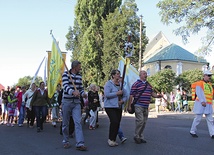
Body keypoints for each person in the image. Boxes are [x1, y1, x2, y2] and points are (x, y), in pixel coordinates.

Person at [128, 70, 162, 144]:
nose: (145, 75)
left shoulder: (148, 84)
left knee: (144, 122)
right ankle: (136, 136)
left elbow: (152, 93)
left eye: (146, 74)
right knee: (140, 120)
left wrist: (157, 96)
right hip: (138, 105)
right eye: (144, 74)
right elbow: (131, 95)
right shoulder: (136, 84)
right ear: (140, 75)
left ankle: (140, 136)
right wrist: (129, 105)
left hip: (146, 106)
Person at [61, 60, 87, 151]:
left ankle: (80, 143)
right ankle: (65, 140)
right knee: (65, 123)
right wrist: (72, 92)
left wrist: (83, 93)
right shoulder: (65, 74)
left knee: (78, 122)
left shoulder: (79, 76)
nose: (80, 68)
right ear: (75, 67)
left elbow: (81, 88)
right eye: (79, 67)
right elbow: (65, 86)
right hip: (67, 101)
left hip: (76, 102)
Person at [104, 69, 128, 147]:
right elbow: (107, 94)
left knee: (117, 123)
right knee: (114, 121)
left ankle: (113, 139)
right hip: (110, 106)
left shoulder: (121, 85)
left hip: (118, 106)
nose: (118, 75)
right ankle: (110, 139)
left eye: (119, 74)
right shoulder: (109, 84)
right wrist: (116, 93)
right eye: (117, 74)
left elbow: (125, 95)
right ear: (113, 75)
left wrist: (122, 101)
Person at [190, 70, 214, 138]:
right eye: (209, 76)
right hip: (201, 104)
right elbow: (199, 92)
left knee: (210, 119)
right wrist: (202, 101)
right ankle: (192, 131)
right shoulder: (200, 83)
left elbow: (210, 95)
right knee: (198, 118)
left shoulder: (209, 85)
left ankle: (212, 133)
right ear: (204, 76)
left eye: (210, 76)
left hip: (208, 104)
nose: (210, 77)